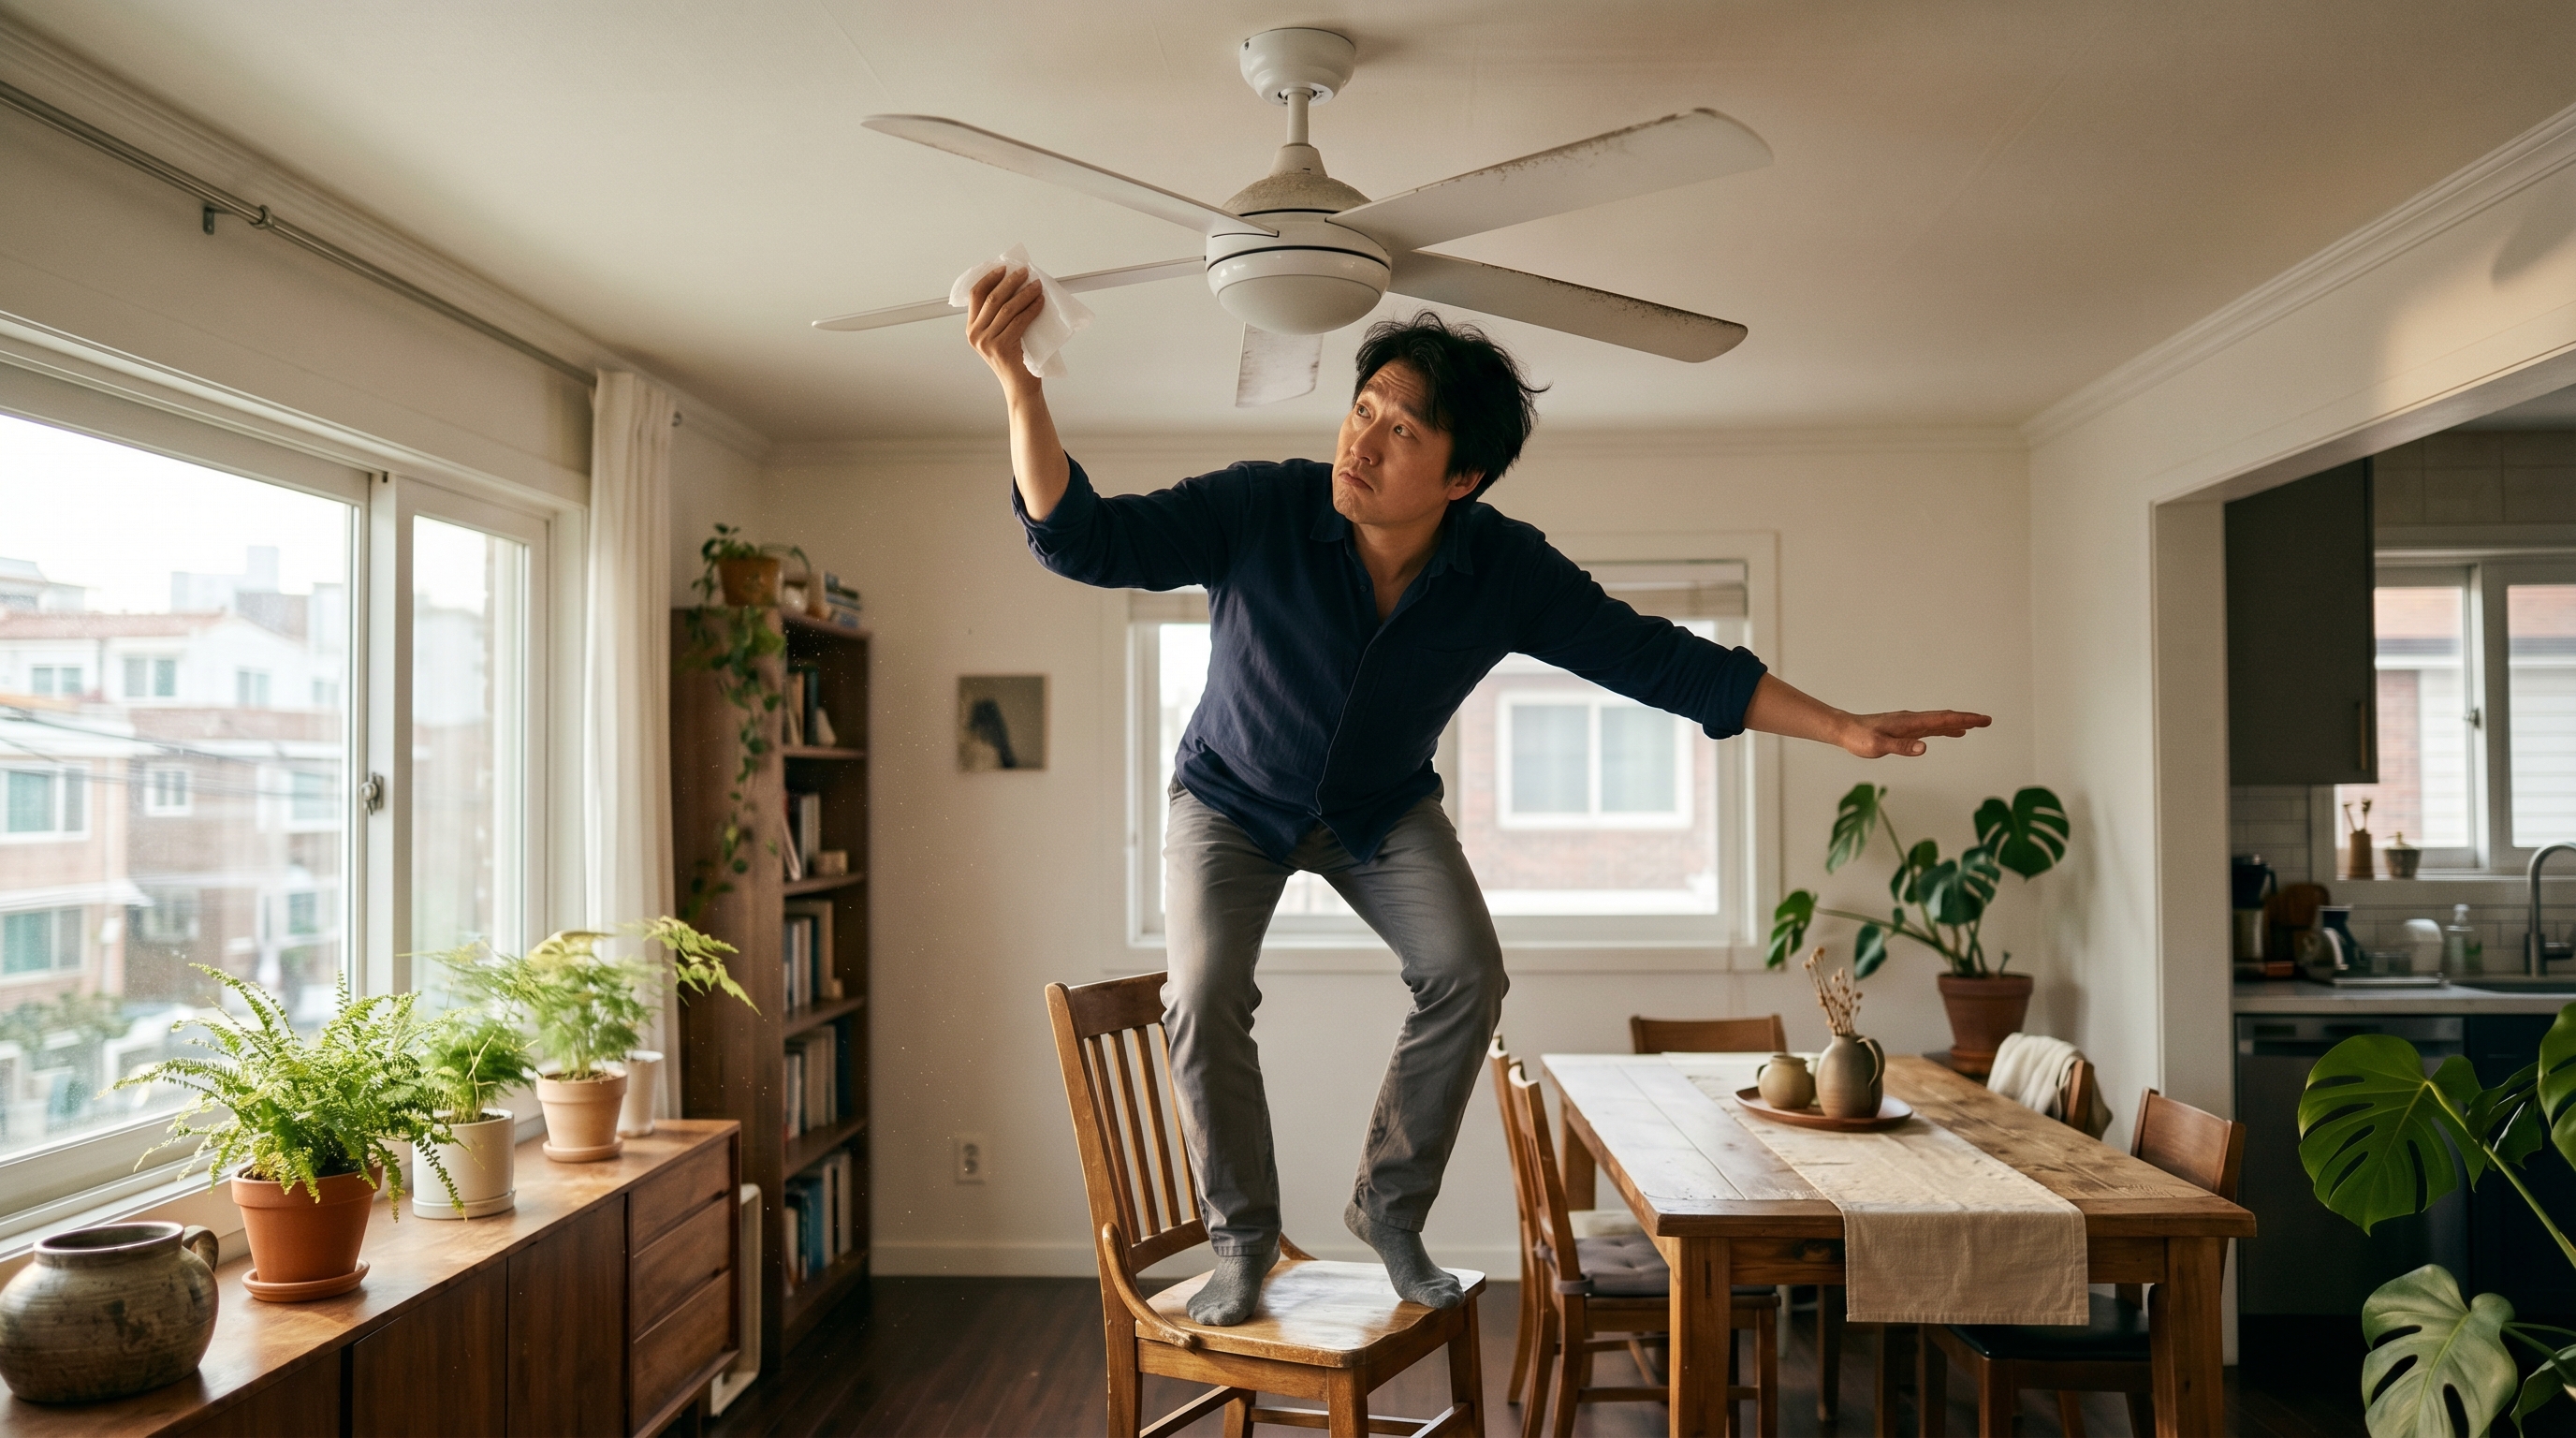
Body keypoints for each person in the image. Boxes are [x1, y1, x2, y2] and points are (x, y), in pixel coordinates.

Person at [966, 267, 1990, 1326]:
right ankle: (1243, 1243)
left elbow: (1663, 662)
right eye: (1360, 412)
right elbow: (1084, 540)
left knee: (1466, 973)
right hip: (1230, 801)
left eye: (1401, 433)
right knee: (1205, 988)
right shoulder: (1260, 506)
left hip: (1379, 813)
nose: (1359, 445)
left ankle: (1390, 1213)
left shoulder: (1504, 570)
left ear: (1464, 478)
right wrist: (1020, 386)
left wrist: (1845, 728)